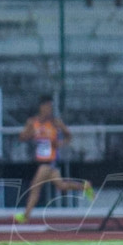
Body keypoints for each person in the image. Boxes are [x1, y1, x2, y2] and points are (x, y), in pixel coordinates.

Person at [14, 95, 93, 223]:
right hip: (39, 161)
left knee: (35, 186)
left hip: (49, 161)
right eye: (47, 107)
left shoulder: (56, 123)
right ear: (41, 107)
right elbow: (22, 137)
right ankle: (84, 186)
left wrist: (61, 143)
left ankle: (26, 215)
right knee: (61, 185)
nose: (49, 109)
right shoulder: (32, 122)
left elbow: (68, 135)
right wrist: (30, 134)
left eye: (51, 107)